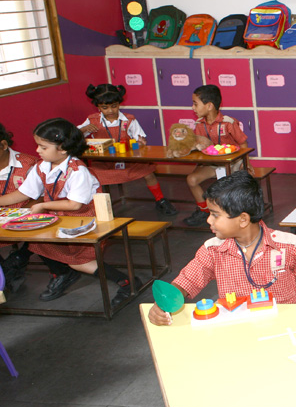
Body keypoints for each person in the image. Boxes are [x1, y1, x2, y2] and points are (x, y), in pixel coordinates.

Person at [147, 170, 296, 407]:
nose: (209, 221)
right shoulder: (213, 250)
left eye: (215, 215)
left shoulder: (287, 244)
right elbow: (187, 282)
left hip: (288, 331)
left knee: (283, 369)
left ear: (243, 219)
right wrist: (165, 304)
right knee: (228, 366)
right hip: (240, 334)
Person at [0, 119, 137, 303]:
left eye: (43, 147)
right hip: (62, 219)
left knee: (80, 262)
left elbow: (74, 205)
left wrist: (43, 206)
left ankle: (127, 282)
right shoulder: (42, 166)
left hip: (85, 219)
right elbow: (22, 193)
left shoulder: (78, 170)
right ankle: (59, 272)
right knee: (39, 243)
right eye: (38, 145)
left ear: (63, 148)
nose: (37, 150)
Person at [78, 83, 177, 215]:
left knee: (148, 172)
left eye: (114, 106)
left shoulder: (129, 120)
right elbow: (75, 136)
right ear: (98, 107)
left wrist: (141, 142)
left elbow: (140, 138)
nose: (110, 110)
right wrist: (84, 129)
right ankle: (100, 207)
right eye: (105, 107)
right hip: (103, 162)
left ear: (119, 104)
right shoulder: (92, 120)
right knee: (93, 177)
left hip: (128, 159)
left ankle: (160, 199)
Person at [183, 85, 250, 227]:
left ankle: (236, 211)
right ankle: (204, 210)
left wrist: (246, 164)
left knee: (233, 185)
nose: (193, 108)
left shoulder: (228, 123)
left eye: (195, 104)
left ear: (209, 106)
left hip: (233, 162)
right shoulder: (199, 124)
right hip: (213, 164)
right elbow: (200, 145)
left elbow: (243, 144)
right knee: (192, 179)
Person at [0, 122, 38, 292]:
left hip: (27, 211)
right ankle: (5, 272)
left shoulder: (29, 164)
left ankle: (20, 257)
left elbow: (41, 197)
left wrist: (21, 213)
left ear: (3, 145)